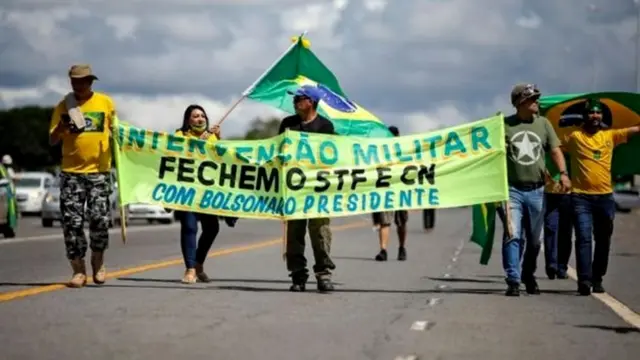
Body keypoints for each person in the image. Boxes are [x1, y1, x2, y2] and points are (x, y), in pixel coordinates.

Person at [49, 64, 116, 288]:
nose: (79, 85)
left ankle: (98, 261)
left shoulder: (105, 103)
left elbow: (116, 131)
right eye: (75, 81)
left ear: (90, 82)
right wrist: (61, 126)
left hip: (99, 172)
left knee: (99, 219)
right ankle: (78, 270)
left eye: (83, 81)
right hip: (71, 174)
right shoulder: (63, 105)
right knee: (72, 223)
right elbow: (52, 140)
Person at [563, 98, 639, 295]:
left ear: (602, 116)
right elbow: (553, 147)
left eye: (598, 113)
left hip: (605, 198)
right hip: (580, 198)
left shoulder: (610, 136)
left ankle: (597, 278)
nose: (594, 116)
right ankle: (584, 280)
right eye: (591, 113)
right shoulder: (574, 137)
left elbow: (634, 130)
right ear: (584, 116)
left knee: (603, 240)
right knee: (583, 238)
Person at [502, 83, 571, 297]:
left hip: (537, 191)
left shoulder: (543, 124)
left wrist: (564, 174)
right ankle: (513, 279)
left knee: (534, 240)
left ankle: (528, 274)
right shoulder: (503, 125)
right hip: (511, 190)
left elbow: (555, 150)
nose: (537, 102)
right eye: (532, 99)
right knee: (512, 235)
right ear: (520, 103)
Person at [279, 86, 336, 293]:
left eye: (299, 99)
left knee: (320, 232)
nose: (294, 102)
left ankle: (323, 274)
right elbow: (278, 151)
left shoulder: (325, 126)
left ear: (311, 101)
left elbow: (331, 157)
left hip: (318, 191)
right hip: (294, 191)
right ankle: (298, 275)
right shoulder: (288, 125)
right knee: (294, 234)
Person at [173, 104, 231, 284]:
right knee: (190, 227)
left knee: (212, 228)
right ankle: (190, 269)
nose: (200, 119)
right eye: (195, 116)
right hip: (188, 190)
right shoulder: (179, 135)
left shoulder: (213, 137)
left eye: (203, 116)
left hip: (208, 192)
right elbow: (176, 155)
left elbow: (224, 160)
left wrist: (218, 140)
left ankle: (198, 263)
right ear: (188, 121)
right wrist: (198, 143)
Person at [373, 125, 409, 261]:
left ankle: (401, 247)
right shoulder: (380, 153)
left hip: (400, 190)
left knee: (401, 222)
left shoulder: (404, 153)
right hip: (386, 190)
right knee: (385, 221)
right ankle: (383, 249)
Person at [543, 159, 573, 280]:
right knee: (550, 228)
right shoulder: (547, 142)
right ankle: (551, 264)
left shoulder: (572, 141)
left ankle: (562, 266)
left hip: (569, 192)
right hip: (549, 191)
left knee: (566, 232)